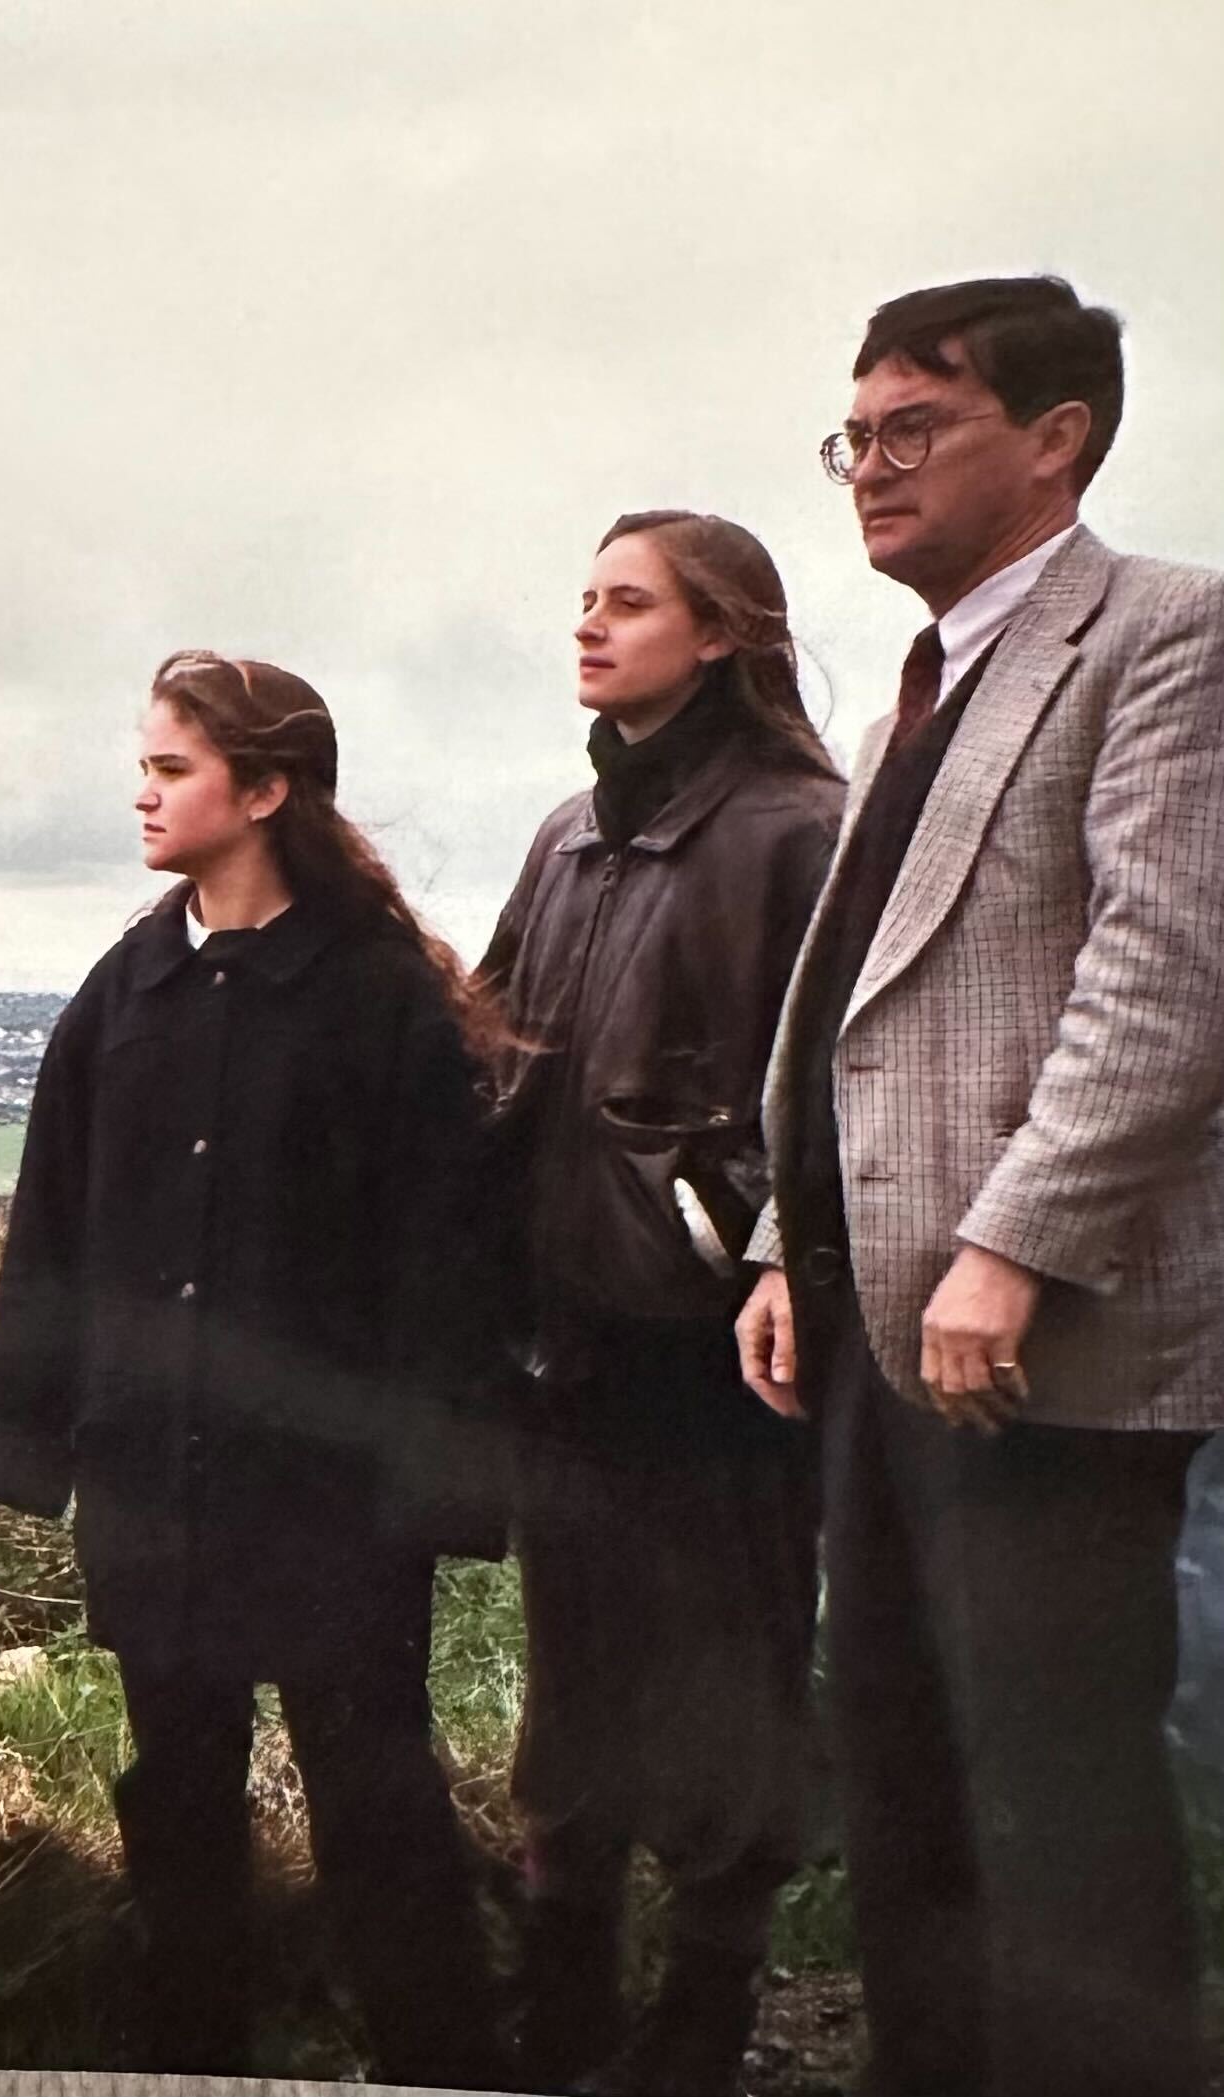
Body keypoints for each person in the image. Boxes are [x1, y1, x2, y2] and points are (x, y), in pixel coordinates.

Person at [737, 275, 1224, 2097]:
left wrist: (1013, 1245)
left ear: (1059, 437)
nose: (867, 468)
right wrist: (795, 1242)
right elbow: (866, 1009)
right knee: (907, 1775)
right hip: (886, 1327)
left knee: (1057, 1804)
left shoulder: (1168, 633)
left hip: (1046, 1348)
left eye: (912, 428)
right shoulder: (927, 689)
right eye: (851, 435)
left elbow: (1170, 978)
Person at [0, 650, 509, 2085]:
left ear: (263, 789)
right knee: (178, 1802)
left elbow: (442, 1261)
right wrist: (30, 1439)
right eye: (143, 764)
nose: (142, 793)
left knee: (376, 1795)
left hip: (330, 1503)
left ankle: (440, 2066)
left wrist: (437, 1482)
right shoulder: (121, 995)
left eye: (172, 768)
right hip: (155, 1485)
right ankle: (190, 2063)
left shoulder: (381, 999)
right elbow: (53, 1230)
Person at [476, 512, 843, 2095]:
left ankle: (699, 2027)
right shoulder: (568, 833)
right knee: (574, 1701)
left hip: (720, 1357)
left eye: (628, 601)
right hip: (566, 1347)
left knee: (723, 1693)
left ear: (724, 634)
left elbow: (840, 1090)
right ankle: (558, 2012)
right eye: (585, 597)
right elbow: (491, 1058)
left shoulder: (800, 829)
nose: (589, 623)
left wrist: (732, 1239)